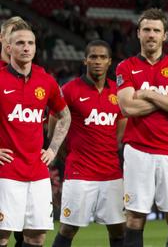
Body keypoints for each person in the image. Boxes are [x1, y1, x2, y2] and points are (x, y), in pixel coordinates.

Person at [116, 8, 168, 247]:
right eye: (146, 30)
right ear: (138, 33)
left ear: (165, 36)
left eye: (156, 30)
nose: (151, 34)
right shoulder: (126, 66)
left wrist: (149, 94)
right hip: (138, 150)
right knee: (134, 218)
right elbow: (128, 108)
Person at [0, 21, 72, 247]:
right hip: (6, 170)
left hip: (38, 171)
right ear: (8, 48)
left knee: (36, 236)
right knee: (2, 236)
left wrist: (52, 149)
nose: (26, 47)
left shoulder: (46, 80)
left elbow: (65, 116)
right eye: (20, 43)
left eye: (30, 43)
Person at [51, 40, 128, 247]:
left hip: (111, 172)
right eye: (93, 56)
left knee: (119, 228)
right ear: (85, 60)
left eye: (103, 57)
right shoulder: (69, 90)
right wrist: (62, 150)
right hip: (79, 172)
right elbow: (54, 123)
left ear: (110, 62)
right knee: (68, 228)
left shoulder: (118, 92)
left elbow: (120, 129)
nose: (97, 61)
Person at [0, 16, 28, 247]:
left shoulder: (29, 73)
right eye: (13, 33)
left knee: (26, 230)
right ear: (3, 39)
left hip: (24, 165)